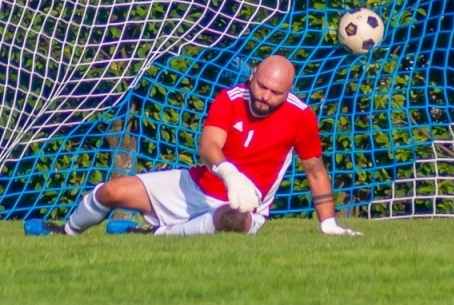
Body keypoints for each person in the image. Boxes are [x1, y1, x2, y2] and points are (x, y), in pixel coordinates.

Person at [58, 55, 360, 237]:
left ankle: (158, 235)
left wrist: (329, 223)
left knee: (230, 220)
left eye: (275, 92)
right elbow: (208, 146)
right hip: (196, 185)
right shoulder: (229, 99)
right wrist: (230, 174)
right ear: (252, 75)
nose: (265, 96)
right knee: (111, 191)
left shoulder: (301, 116)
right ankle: (65, 233)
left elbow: (315, 170)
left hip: (245, 205)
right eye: (261, 86)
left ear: (288, 91)